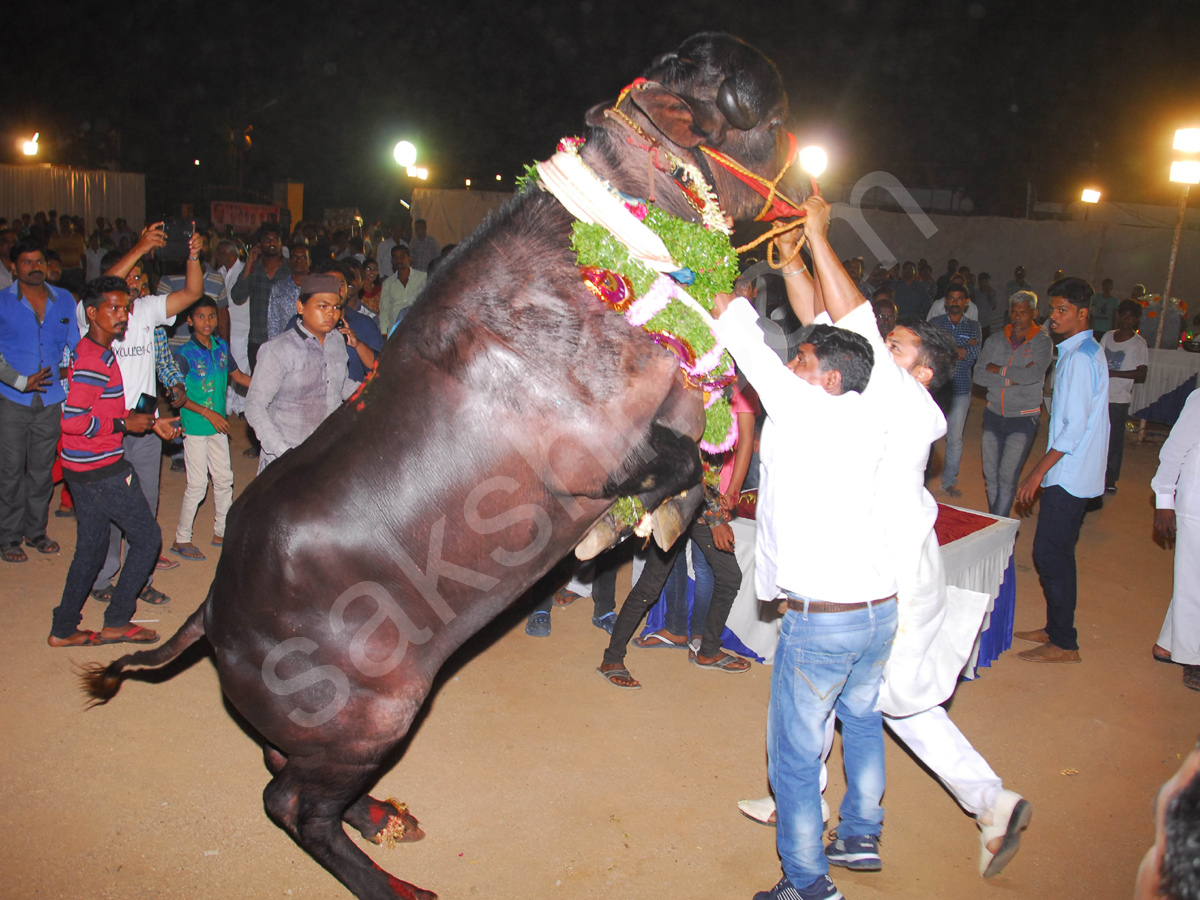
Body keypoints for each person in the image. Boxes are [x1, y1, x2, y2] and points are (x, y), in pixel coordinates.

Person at [750, 196, 1028, 880]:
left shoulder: (907, 400)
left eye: (896, 345)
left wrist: (820, 234)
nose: (882, 346)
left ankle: (985, 798)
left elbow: (851, 323)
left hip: (891, 574)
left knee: (884, 701)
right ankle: (836, 813)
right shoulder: (879, 389)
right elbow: (827, 324)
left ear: (922, 370)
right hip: (886, 568)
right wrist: (793, 258)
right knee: (867, 700)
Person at [712, 271, 892, 900]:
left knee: (793, 758)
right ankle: (861, 832)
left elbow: (753, 355)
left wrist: (724, 303)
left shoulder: (810, 408)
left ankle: (808, 885)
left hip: (826, 617)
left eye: (804, 359)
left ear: (831, 380)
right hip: (876, 611)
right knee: (862, 721)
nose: (792, 364)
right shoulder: (870, 414)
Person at [48, 276, 182, 648]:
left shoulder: (96, 350)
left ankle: (63, 628)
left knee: (90, 547)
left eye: (126, 307)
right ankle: (118, 620)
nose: (123, 314)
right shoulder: (94, 358)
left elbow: (99, 407)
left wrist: (150, 423)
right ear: (92, 313)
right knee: (147, 538)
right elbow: (72, 420)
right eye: (114, 308)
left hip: (81, 467)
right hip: (101, 468)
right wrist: (123, 423)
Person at [1014, 277, 1109, 664]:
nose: (1053, 316)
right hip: (1074, 472)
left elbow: (1071, 430)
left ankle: (1064, 642)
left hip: (1070, 474)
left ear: (1082, 313)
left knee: (1049, 553)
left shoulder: (1081, 358)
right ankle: (1056, 629)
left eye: (1062, 310)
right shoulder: (1080, 350)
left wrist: (1037, 472)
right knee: (1059, 552)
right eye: (1053, 309)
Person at [0, 241, 80, 563]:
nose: (34, 267)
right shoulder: (3, 303)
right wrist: (20, 380)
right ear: (14, 267)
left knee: (42, 471)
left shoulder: (64, 301)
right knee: (10, 470)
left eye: (39, 261)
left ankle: (36, 531)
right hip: (12, 399)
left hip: (50, 401)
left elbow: (77, 346)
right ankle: (8, 537)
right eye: (26, 262)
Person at [245, 274, 360, 473]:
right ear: (300, 307)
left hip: (327, 450)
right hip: (286, 457)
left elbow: (339, 385)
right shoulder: (278, 350)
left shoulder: (337, 342)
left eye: (336, 307)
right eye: (322, 306)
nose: (331, 314)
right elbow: (254, 407)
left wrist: (375, 393)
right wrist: (284, 452)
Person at [169, 297, 252, 561]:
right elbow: (177, 397)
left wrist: (268, 384)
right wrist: (208, 413)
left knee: (224, 478)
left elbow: (238, 377)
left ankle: (222, 531)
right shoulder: (184, 354)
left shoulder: (220, 347)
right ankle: (181, 538)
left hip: (217, 425)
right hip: (195, 426)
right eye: (201, 317)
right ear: (190, 321)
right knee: (197, 484)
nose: (207, 322)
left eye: (212, 317)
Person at [973, 291, 1053, 516]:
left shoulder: (1042, 342)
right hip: (993, 414)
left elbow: (1034, 376)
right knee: (991, 476)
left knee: (1007, 478)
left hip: (1022, 418)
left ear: (1034, 313)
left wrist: (999, 370)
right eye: (1014, 312)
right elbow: (978, 375)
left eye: (1024, 313)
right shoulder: (995, 340)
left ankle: (998, 530)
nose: (1018, 317)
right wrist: (1014, 378)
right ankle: (997, 527)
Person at [1150, 389, 1200, 691]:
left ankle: (1167, 645)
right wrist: (1164, 500)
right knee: (1194, 585)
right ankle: (1193, 660)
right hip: (1195, 504)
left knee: (1191, 579)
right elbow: (1174, 450)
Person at [930, 284, 981, 498]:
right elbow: (931, 355)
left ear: (966, 302)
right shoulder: (935, 324)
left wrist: (947, 347)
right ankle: (921, 480)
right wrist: (958, 348)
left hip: (960, 388)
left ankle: (949, 481)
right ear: (945, 302)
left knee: (955, 438)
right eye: (951, 298)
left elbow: (971, 356)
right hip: (935, 389)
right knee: (928, 436)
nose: (955, 302)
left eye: (960, 299)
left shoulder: (974, 327)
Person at [1101, 299, 1148, 493]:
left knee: (1114, 440)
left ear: (1136, 320)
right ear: (1117, 315)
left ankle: (1111, 478)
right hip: (1102, 396)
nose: (1125, 320)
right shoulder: (1108, 336)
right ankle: (1096, 473)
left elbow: (1142, 373)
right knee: (1098, 438)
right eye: (1123, 316)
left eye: (1130, 317)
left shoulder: (1138, 343)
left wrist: (1114, 373)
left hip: (1119, 399)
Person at [231, 223, 291, 371]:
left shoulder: (290, 269)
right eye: (267, 239)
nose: (272, 243)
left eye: (275, 239)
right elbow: (237, 296)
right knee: (259, 387)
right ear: (259, 244)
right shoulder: (254, 268)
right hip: (257, 340)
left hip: (285, 339)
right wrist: (250, 261)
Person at [379, 243, 427, 334]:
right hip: (396, 332)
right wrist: (384, 333)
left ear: (409, 258)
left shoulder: (423, 278)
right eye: (395, 257)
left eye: (402, 256)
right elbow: (384, 310)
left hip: (418, 329)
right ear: (392, 261)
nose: (398, 260)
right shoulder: (388, 283)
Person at [266, 243, 310, 340]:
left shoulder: (316, 288)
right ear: (289, 261)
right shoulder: (278, 288)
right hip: (285, 346)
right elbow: (273, 324)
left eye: (303, 257)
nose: (299, 261)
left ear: (309, 261)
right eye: (295, 257)